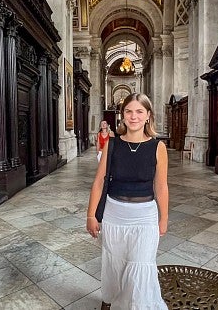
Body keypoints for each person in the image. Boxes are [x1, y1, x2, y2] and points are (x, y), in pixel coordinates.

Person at [87, 93, 169, 310]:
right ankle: (110, 297)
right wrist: (91, 215)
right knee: (115, 263)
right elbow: (98, 182)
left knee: (140, 267)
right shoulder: (112, 145)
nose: (134, 116)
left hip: (145, 217)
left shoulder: (157, 147)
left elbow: (161, 186)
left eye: (139, 111)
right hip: (115, 214)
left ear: (148, 115)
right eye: (129, 111)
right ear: (122, 115)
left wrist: (164, 218)